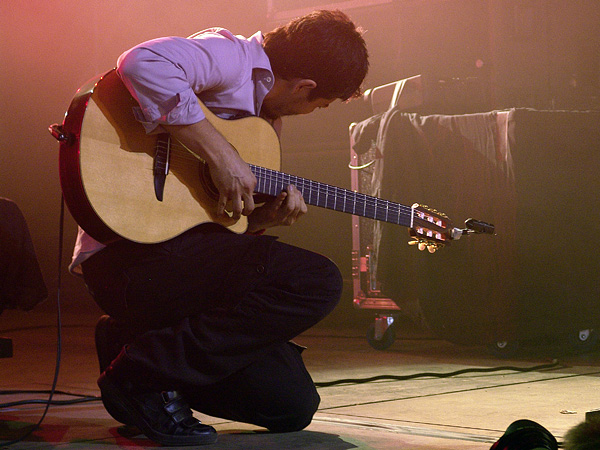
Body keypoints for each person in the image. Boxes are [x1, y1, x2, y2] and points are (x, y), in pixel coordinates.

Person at [70, 9, 369, 446]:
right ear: (306, 87)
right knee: (318, 279)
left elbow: (204, 228)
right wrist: (221, 155)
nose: (312, 111)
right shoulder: (232, 56)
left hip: (177, 263)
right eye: (319, 104)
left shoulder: (263, 124)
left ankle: (128, 343)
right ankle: (139, 373)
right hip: (128, 259)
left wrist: (260, 220)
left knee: (290, 406)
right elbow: (139, 62)